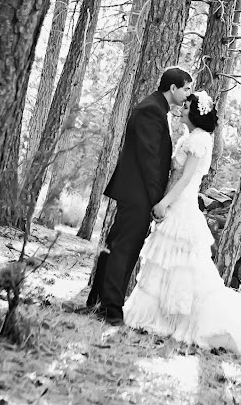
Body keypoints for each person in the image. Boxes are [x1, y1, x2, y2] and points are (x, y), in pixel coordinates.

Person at [123, 91, 241, 365]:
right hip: (174, 206)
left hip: (182, 206)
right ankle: (156, 316)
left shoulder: (199, 140)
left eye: (187, 106)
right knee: (167, 265)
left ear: (195, 113)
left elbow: (186, 179)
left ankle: (185, 320)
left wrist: (163, 204)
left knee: (186, 268)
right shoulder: (188, 138)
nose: (182, 108)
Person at [86, 67, 193, 325]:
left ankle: (98, 301)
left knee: (116, 245)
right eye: (187, 88)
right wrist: (157, 200)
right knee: (125, 249)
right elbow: (148, 161)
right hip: (138, 192)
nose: (189, 94)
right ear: (173, 88)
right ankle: (111, 309)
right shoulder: (150, 110)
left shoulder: (159, 109)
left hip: (137, 191)